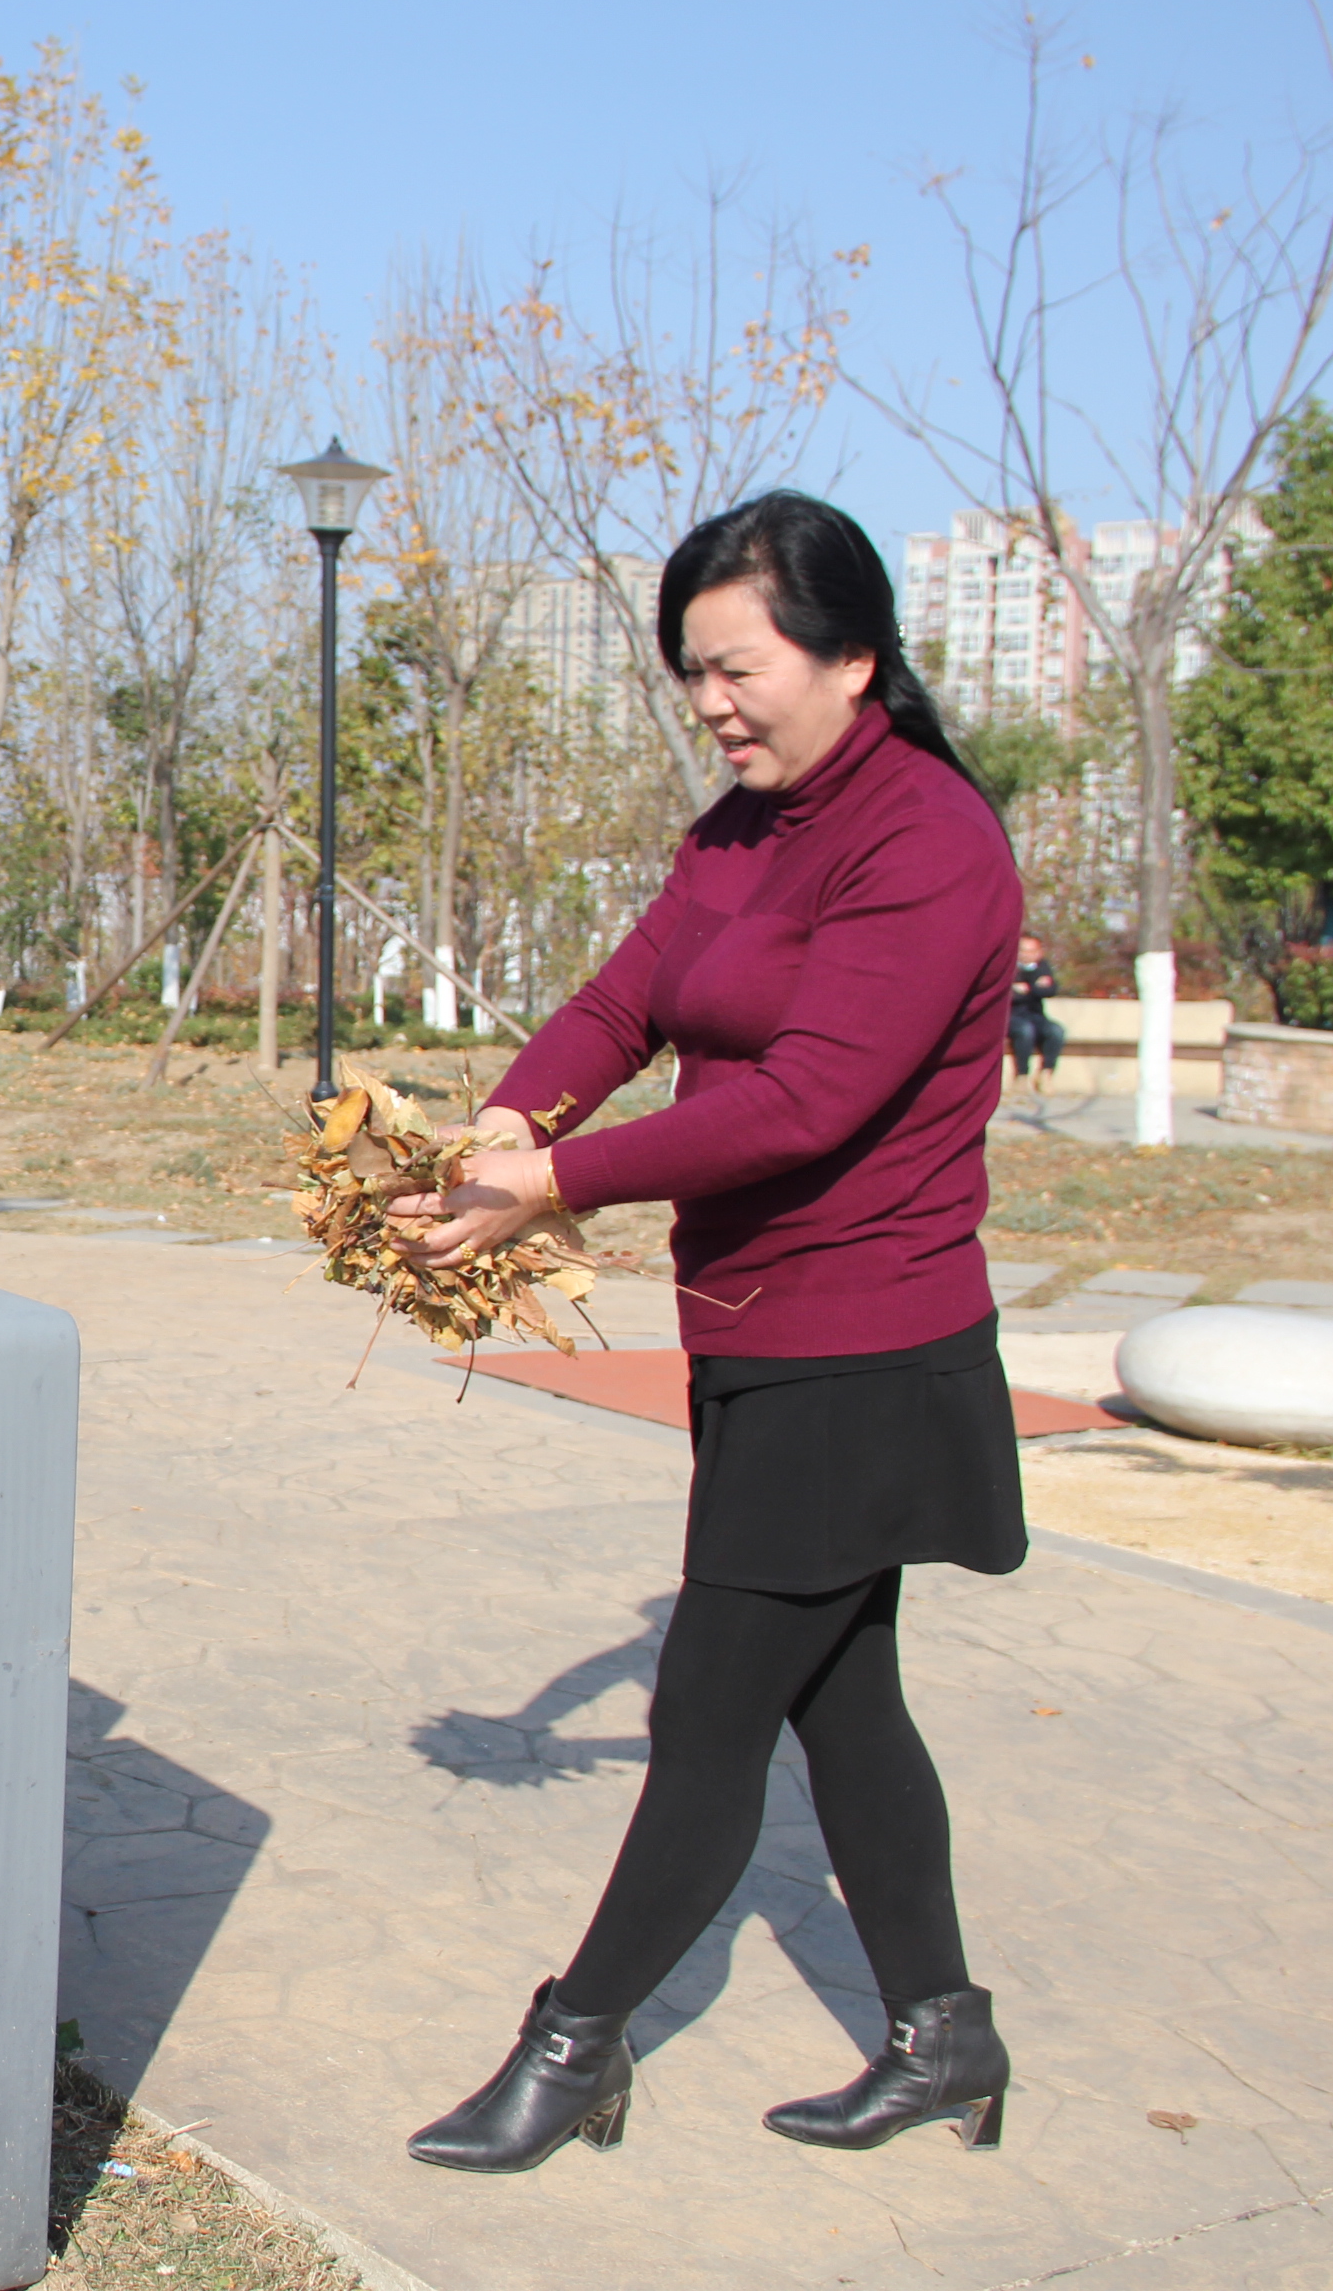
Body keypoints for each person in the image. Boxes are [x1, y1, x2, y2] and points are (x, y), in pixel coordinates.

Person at [387, 491, 1023, 2174]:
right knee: (849, 1703)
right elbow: (623, 1001)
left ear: (851, 650)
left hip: (866, 1350)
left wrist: (563, 1179)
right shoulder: (741, 830)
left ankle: (572, 2040)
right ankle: (945, 2035)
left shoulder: (927, 837)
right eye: (694, 681)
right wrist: (505, 1128)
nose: (716, 706)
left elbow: (809, 1100)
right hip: (759, 1330)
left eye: (738, 671)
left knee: (714, 1711)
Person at [1009, 934, 1064, 1092]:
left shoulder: (1042, 966)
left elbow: (1051, 990)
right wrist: (1035, 987)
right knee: (1025, 1031)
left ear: (1039, 952)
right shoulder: (1009, 967)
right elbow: (1010, 994)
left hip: (1036, 1015)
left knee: (1056, 1031)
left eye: (1032, 951)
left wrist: (1028, 988)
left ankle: (1046, 1073)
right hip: (1013, 1016)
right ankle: (1022, 1076)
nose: (1027, 954)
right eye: (1023, 950)